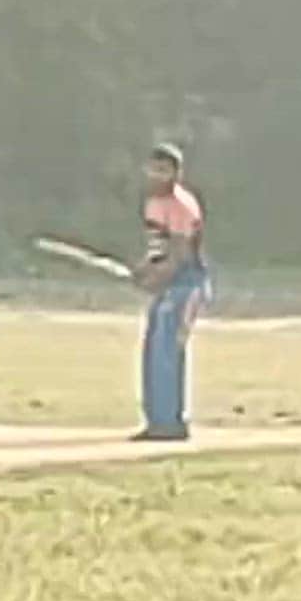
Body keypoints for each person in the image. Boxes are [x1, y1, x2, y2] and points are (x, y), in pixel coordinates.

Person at [130, 143, 210, 441]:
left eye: (164, 170)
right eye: (153, 169)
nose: (157, 175)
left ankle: (170, 422)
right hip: (167, 280)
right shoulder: (153, 203)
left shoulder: (180, 204)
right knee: (153, 349)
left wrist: (155, 278)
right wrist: (145, 268)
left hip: (185, 283)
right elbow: (158, 248)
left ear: (177, 172)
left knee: (166, 350)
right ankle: (157, 420)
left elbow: (180, 253)